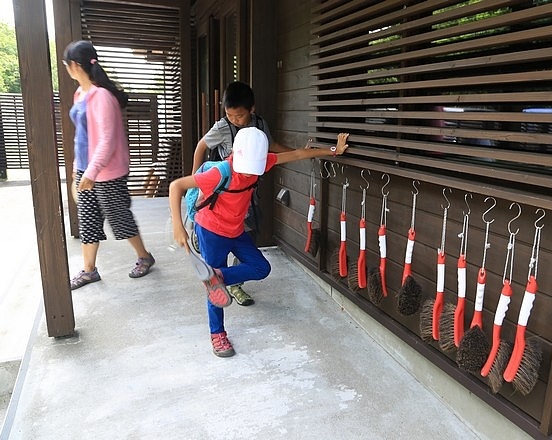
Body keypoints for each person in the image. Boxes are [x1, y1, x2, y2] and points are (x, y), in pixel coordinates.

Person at [169, 127, 349, 357]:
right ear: (236, 154)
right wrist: (178, 225)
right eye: (245, 169)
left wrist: (333, 150)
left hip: (235, 230)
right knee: (214, 290)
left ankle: (218, 277)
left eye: (252, 169)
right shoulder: (221, 171)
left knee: (260, 268)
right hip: (211, 231)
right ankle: (218, 334)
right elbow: (177, 186)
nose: (247, 174)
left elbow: (296, 155)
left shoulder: (260, 163)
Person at [192, 81, 296, 307]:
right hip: (223, 196)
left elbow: (273, 146)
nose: (234, 120)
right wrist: (196, 182)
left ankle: (234, 284)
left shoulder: (260, 125)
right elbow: (202, 146)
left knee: (248, 240)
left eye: (239, 116)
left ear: (252, 109)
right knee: (219, 244)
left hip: (248, 195)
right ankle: (218, 277)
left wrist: (298, 152)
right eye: (229, 115)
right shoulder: (222, 127)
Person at [63, 40, 155, 290]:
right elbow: (80, 136)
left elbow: (107, 140)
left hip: (107, 173)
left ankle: (145, 256)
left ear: (73, 65)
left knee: (119, 218)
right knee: (88, 220)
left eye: (66, 65)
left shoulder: (102, 97)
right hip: (87, 169)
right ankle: (89, 270)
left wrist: (91, 172)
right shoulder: (80, 93)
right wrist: (76, 167)